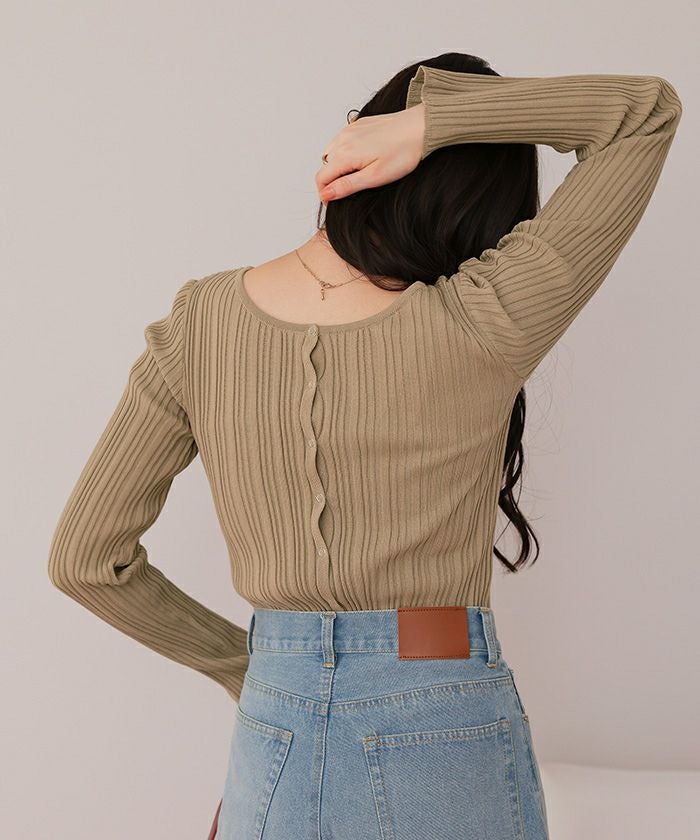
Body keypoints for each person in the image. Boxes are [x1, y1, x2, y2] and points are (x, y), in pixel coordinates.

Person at [48, 53, 682, 840]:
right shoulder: (485, 316)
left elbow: (84, 558)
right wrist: (436, 124)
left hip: (273, 724)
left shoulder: (200, 321)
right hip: (441, 711)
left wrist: (249, 668)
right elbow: (643, 112)